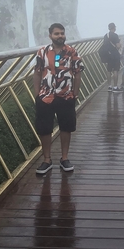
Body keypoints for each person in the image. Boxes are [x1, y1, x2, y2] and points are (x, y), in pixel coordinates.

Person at [34, 23, 84, 175]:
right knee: (44, 129)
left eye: (62, 33)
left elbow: (78, 72)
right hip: (46, 96)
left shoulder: (71, 52)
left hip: (66, 95)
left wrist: (74, 92)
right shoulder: (42, 52)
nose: (60, 36)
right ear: (50, 36)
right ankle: (47, 160)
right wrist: (37, 95)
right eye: (56, 33)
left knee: (66, 127)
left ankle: (64, 158)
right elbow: (37, 72)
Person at [104, 22, 122, 92]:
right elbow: (118, 46)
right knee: (115, 70)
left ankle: (109, 86)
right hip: (115, 54)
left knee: (108, 70)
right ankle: (115, 87)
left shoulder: (106, 35)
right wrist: (120, 45)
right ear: (114, 28)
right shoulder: (115, 35)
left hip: (108, 55)